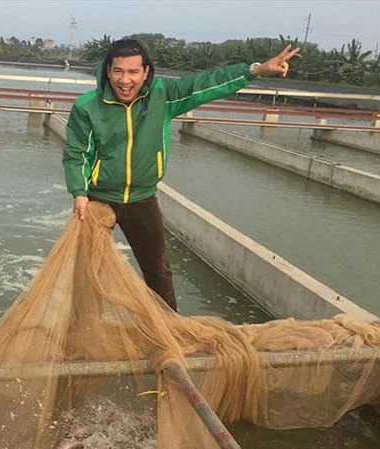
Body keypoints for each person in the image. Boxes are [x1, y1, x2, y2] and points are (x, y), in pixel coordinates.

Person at [63, 39, 299, 312]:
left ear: (146, 72)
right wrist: (79, 193)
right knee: (88, 271)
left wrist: (255, 70)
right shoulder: (87, 106)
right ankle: (86, 330)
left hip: (141, 198)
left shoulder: (164, 96)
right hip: (97, 200)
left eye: (132, 72)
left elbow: (205, 83)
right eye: (118, 71)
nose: (125, 80)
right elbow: (77, 152)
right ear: (107, 71)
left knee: (158, 272)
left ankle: (168, 333)